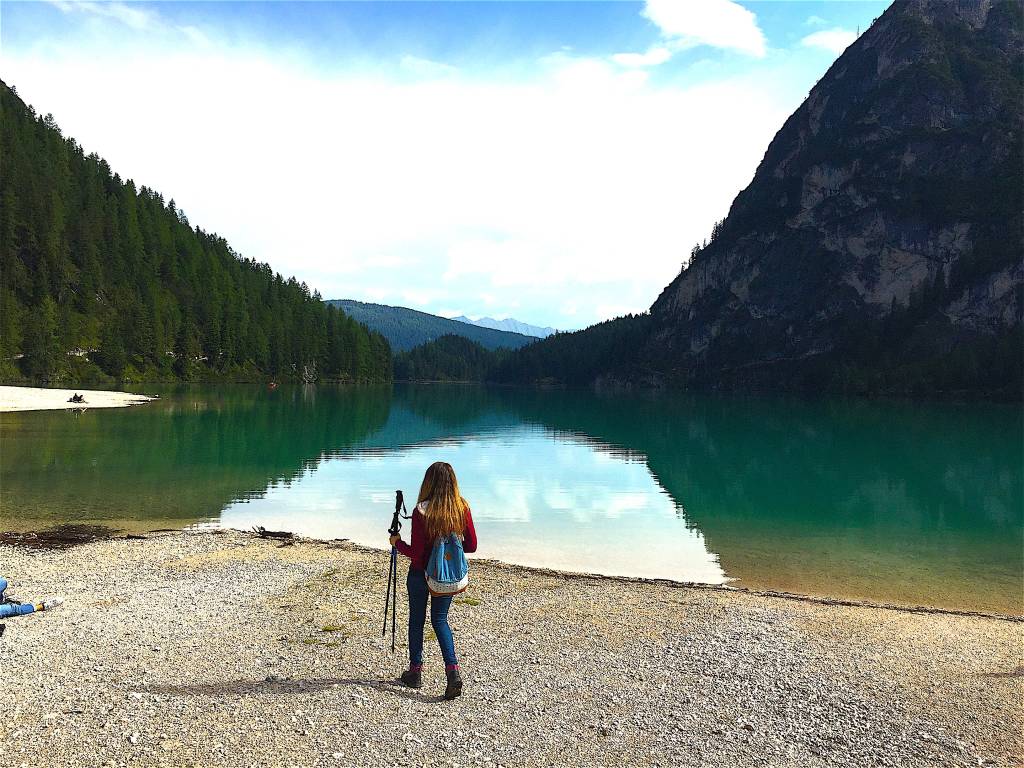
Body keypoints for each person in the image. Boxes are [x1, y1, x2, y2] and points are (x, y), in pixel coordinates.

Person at [391, 461, 477, 700]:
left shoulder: (421, 510)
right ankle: (453, 673)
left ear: (428, 482)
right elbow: (471, 545)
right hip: (445, 576)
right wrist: (449, 548)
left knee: (416, 621)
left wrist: (397, 544)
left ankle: (415, 672)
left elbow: (417, 554)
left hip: (419, 574)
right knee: (440, 620)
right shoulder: (461, 508)